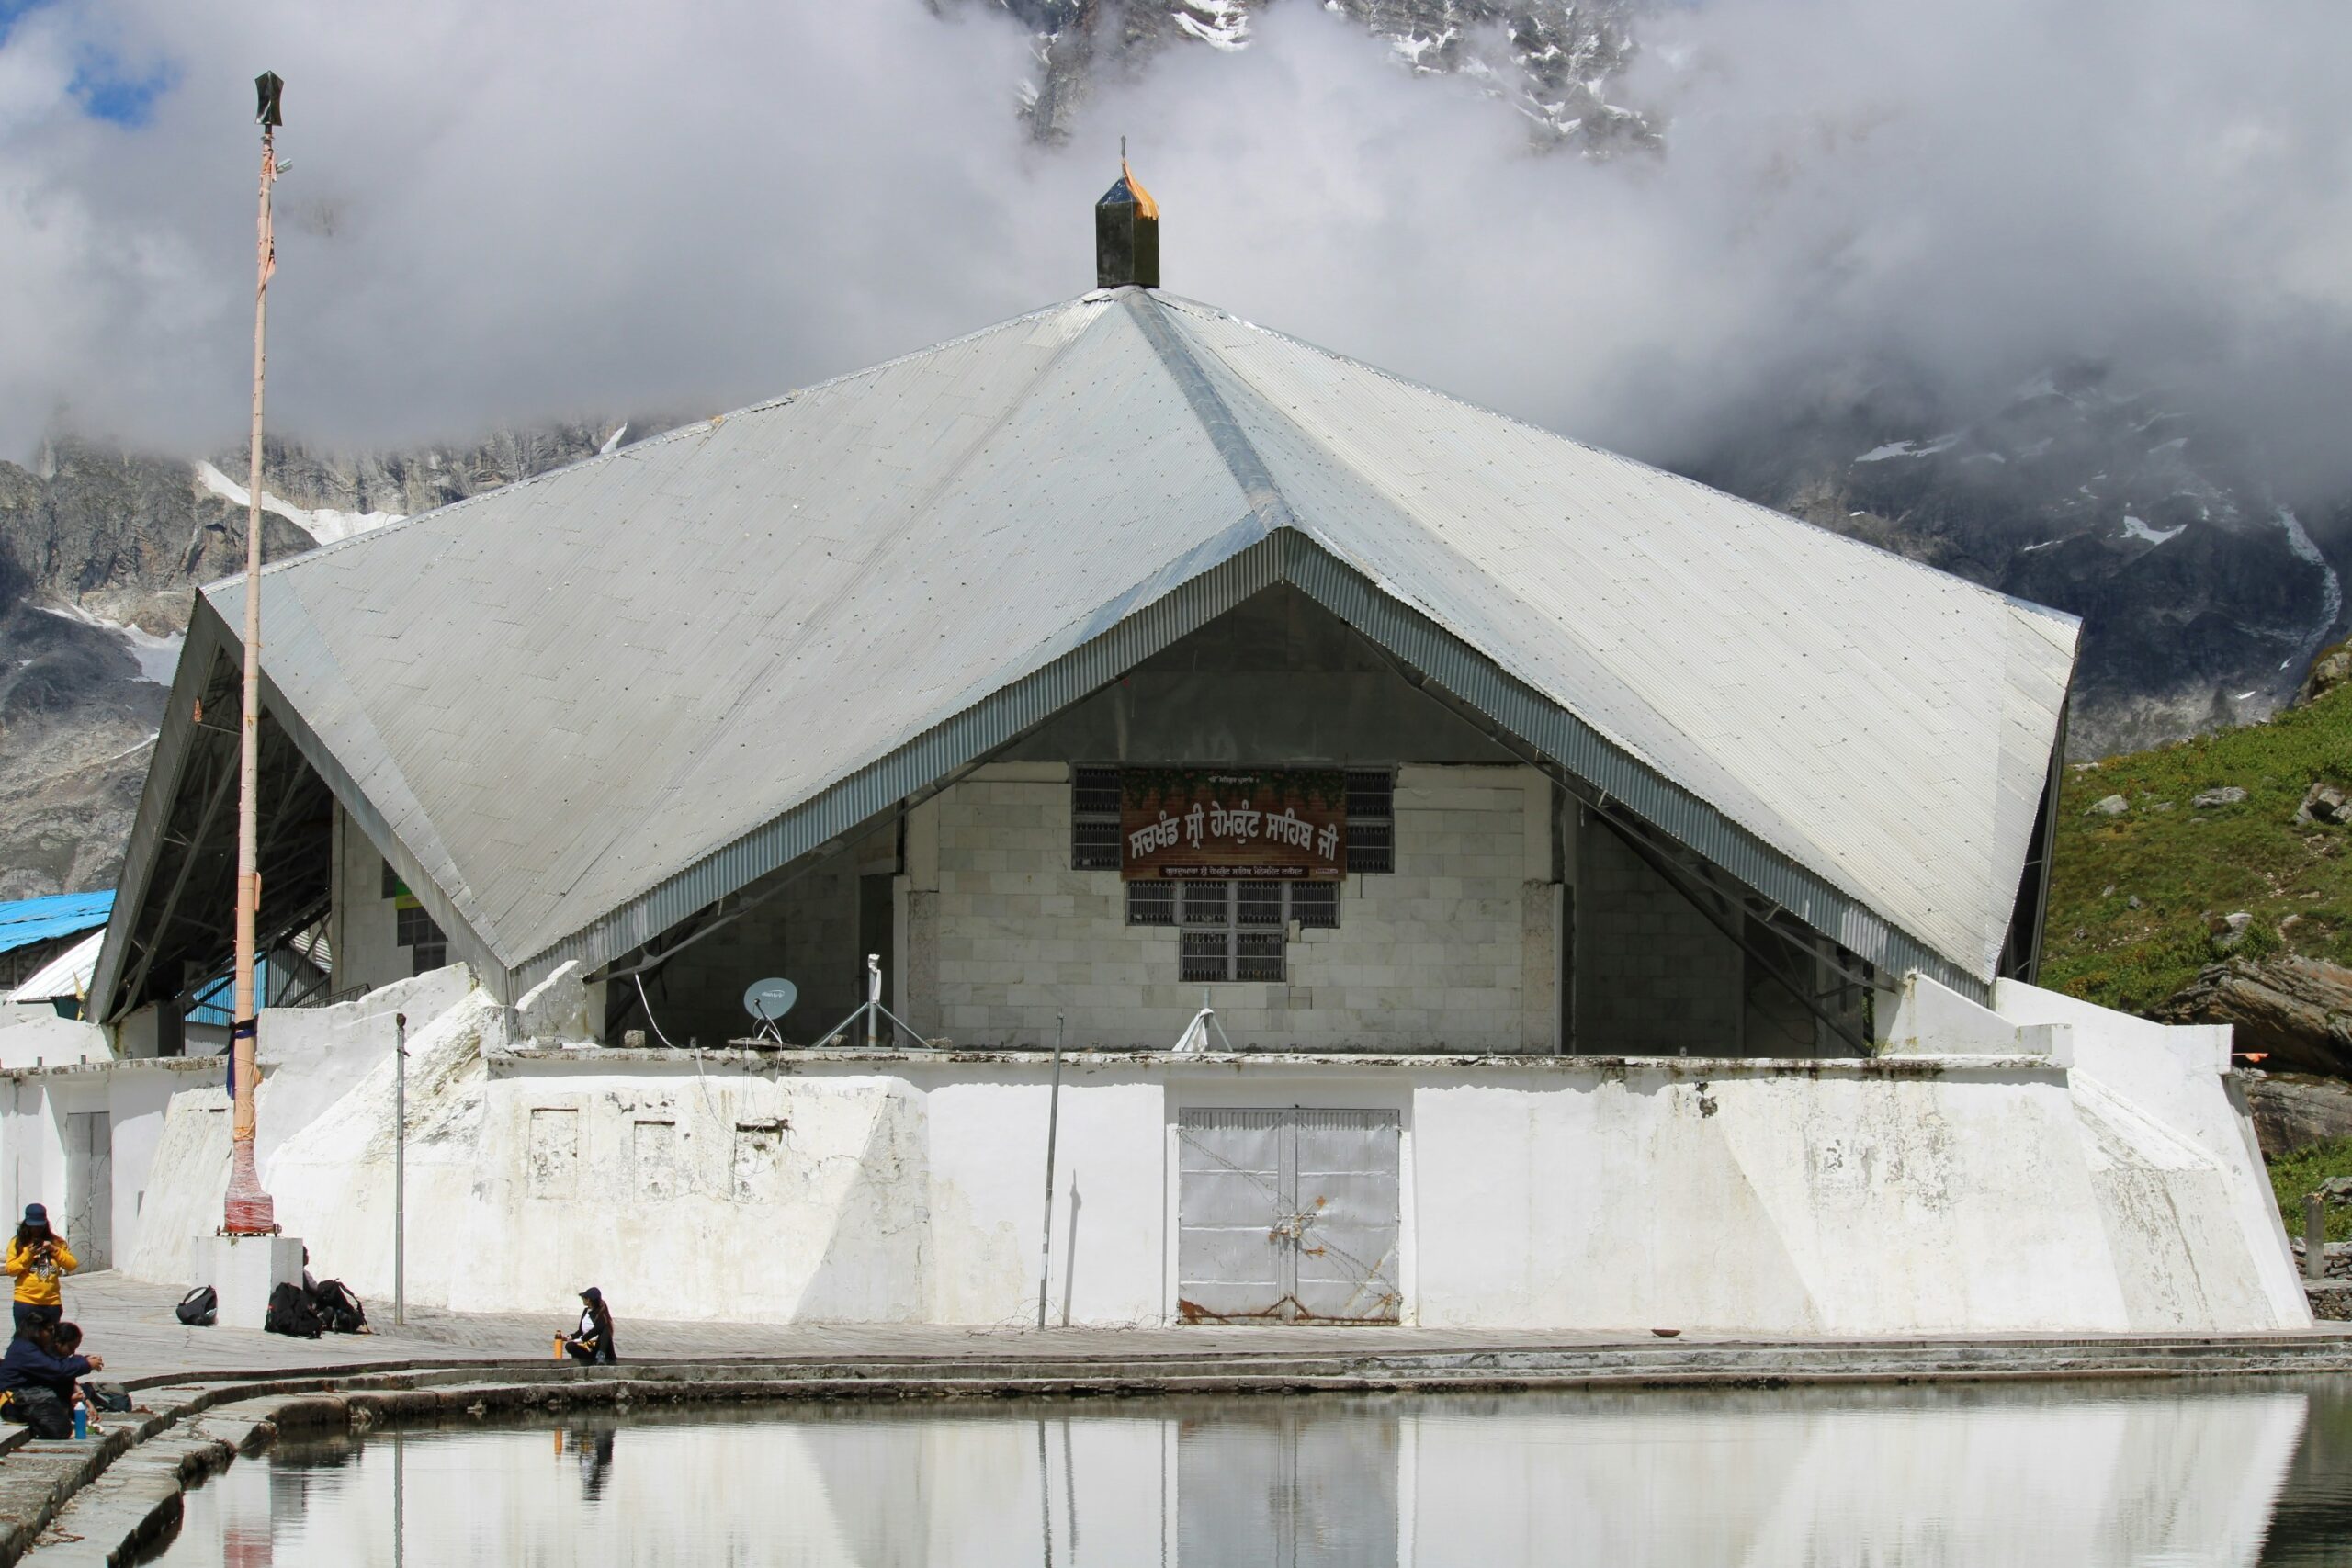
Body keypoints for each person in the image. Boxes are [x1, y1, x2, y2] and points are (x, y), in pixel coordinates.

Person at [0, 1321, 97, 1440]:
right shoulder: (31, 1352)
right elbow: (58, 1371)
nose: (72, 1353)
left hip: (28, 1398)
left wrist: (85, 1402)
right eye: (71, 1348)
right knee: (59, 1428)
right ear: (58, 1343)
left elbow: (65, 1376)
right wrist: (85, 1363)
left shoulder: (38, 1352)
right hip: (14, 1404)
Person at [4, 1204, 75, 1335]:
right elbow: (11, 1270)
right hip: (25, 1300)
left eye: (40, 1226)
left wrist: (53, 1250)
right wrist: (28, 1254)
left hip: (51, 1302)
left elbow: (72, 1265)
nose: (36, 1229)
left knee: (50, 1343)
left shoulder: (57, 1242)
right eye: (33, 1226)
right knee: (24, 1341)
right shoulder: (17, 1242)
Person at [562, 1287, 616, 1365]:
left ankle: (601, 1356)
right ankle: (588, 1358)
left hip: (597, 1346)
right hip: (588, 1347)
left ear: (588, 1300)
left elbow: (597, 1330)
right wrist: (569, 1337)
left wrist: (583, 1339)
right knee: (569, 1346)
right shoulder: (586, 1311)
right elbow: (581, 1331)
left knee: (605, 1329)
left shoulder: (601, 1314)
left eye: (583, 1298)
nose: (582, 1300)